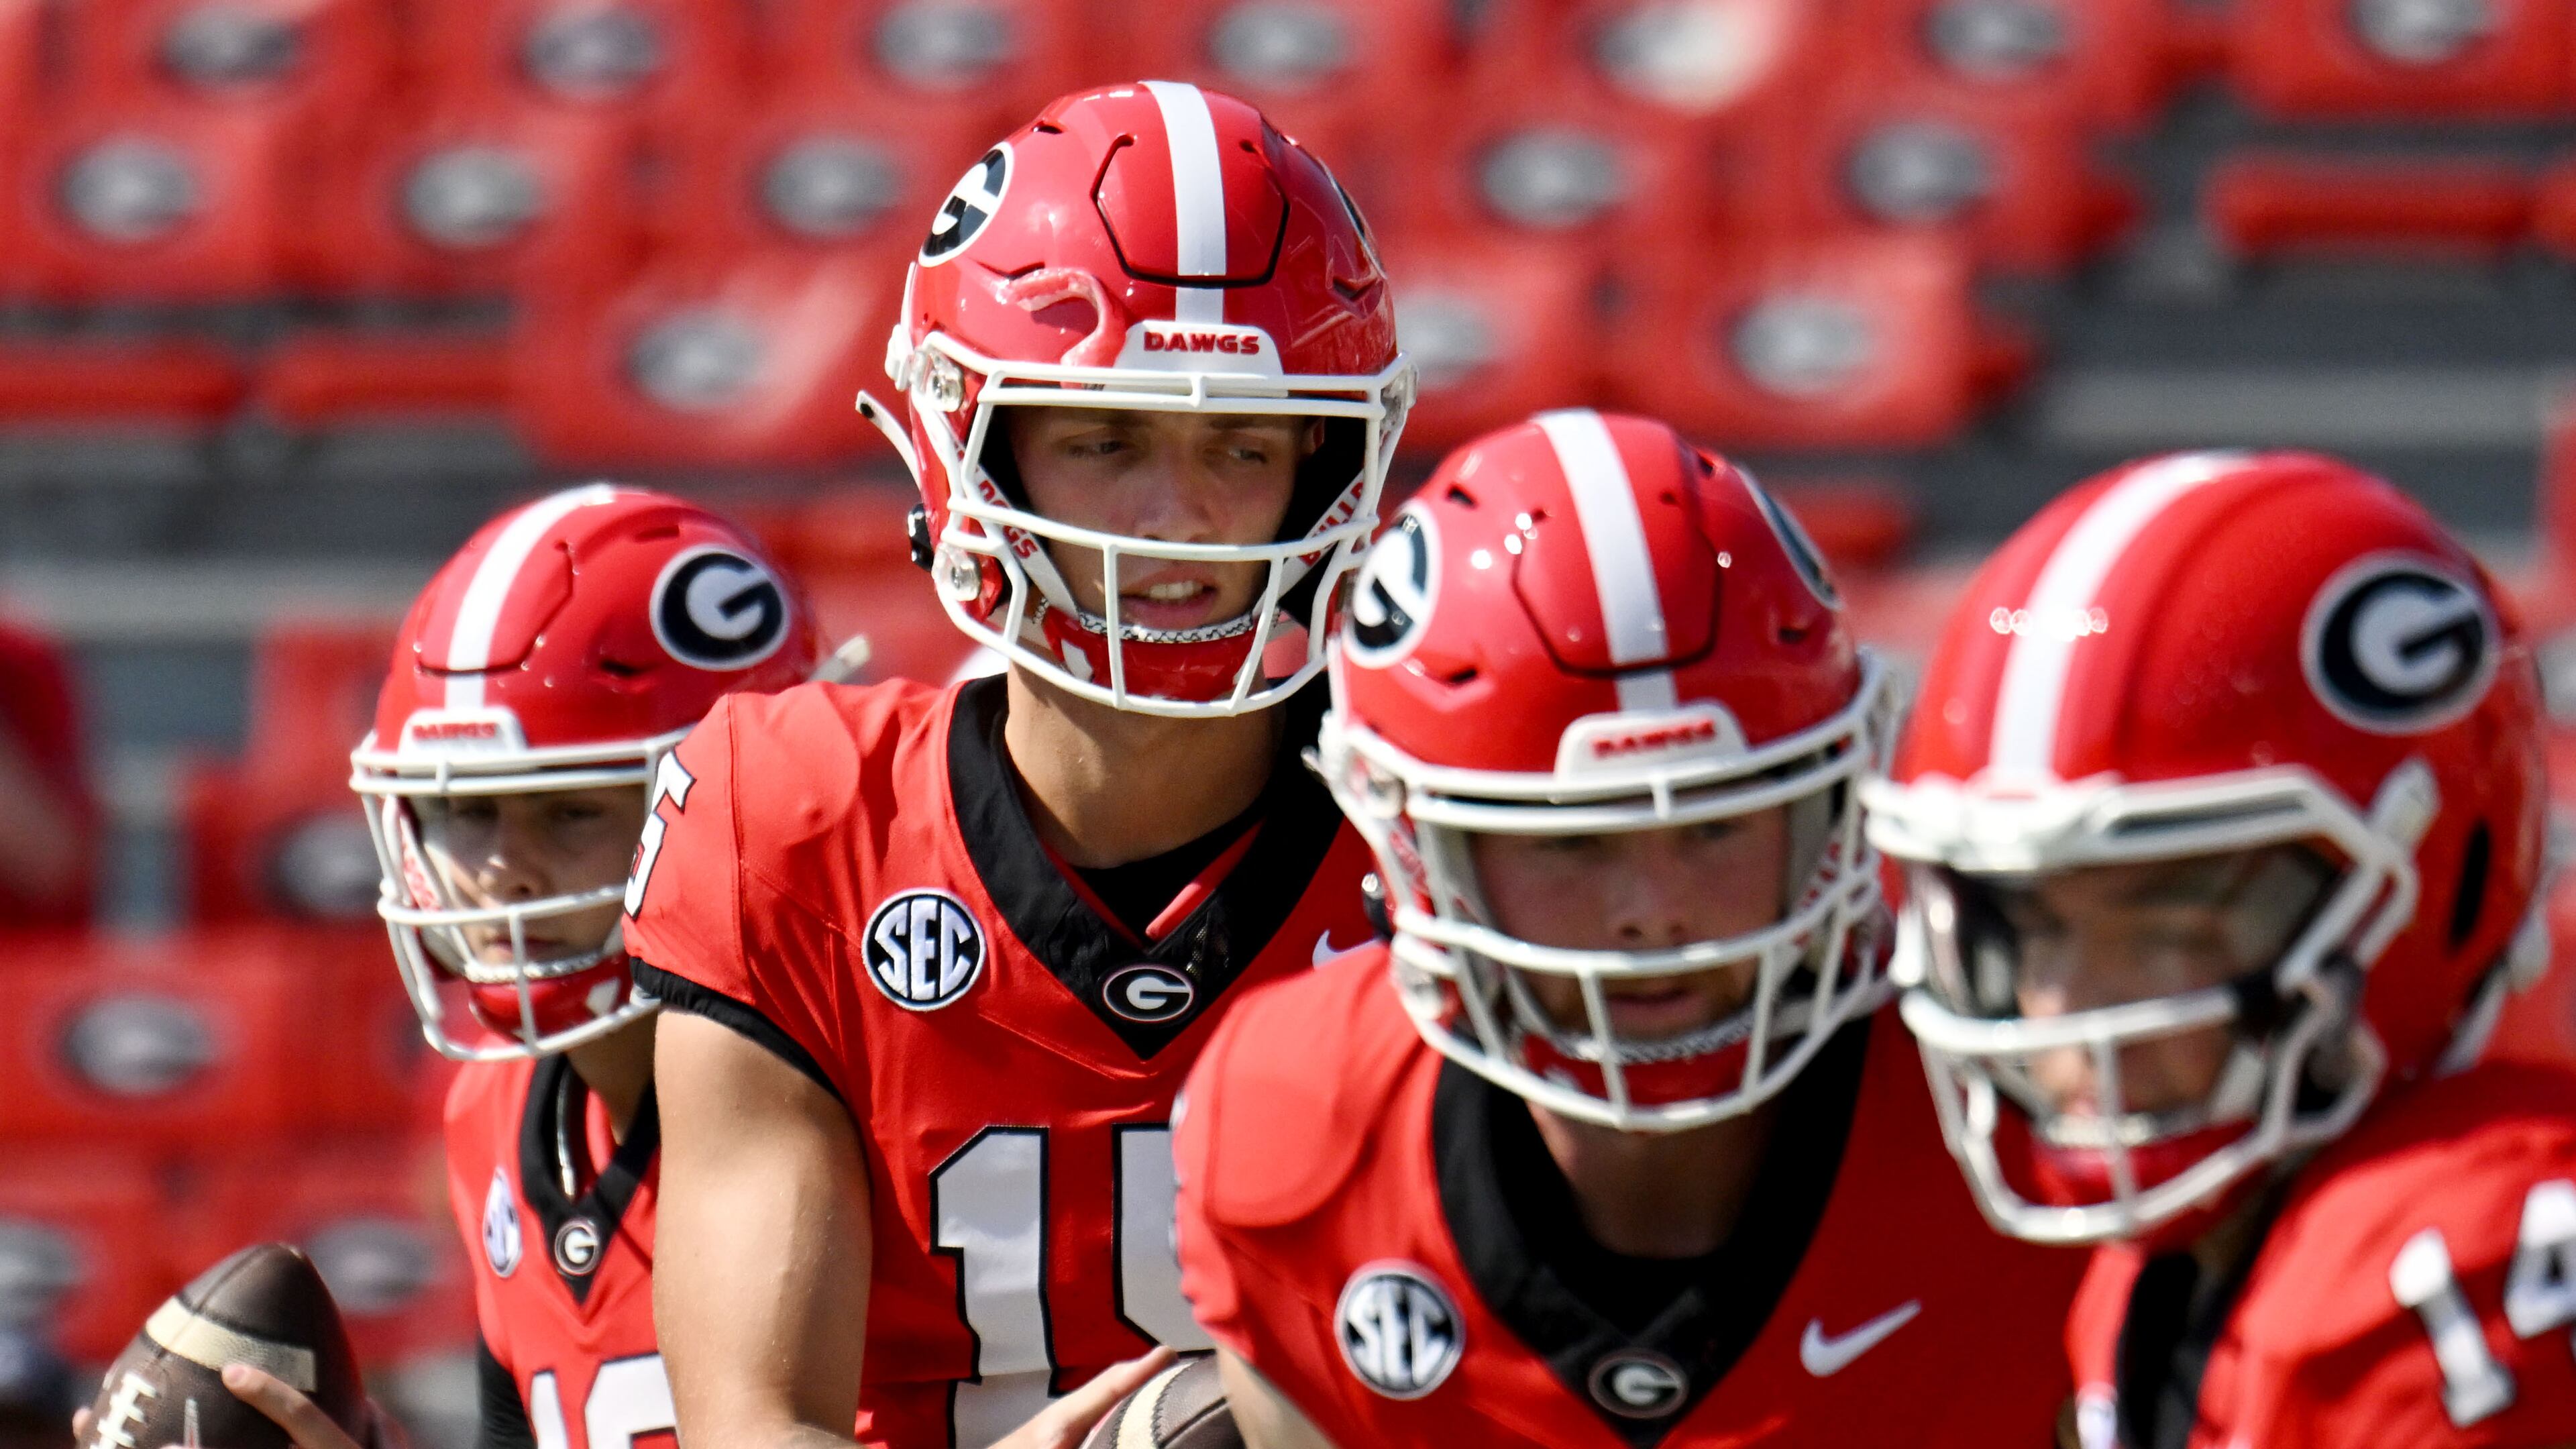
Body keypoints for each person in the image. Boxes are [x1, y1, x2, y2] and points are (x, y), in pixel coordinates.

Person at [623, 81, 1410, 1449]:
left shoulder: (1442, 838)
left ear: (1328, 460)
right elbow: (753, 1425)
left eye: (1244, 440)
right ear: (970, 448)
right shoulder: (798, 818)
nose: (1181, 517)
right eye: (1106, 440)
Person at [1171, 411, 2083, 1447]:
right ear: (1415, 847)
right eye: (1569, 842)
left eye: (1719, 822)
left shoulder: (2032, 1124)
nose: (1654, 909)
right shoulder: (1293, 1128)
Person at [1864, 449, 2576, 1448]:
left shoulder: (2465, 1256)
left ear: (2427, 880)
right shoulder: (2138, 1288)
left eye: (2166, 926)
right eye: (2033, 926)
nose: (2063, 1018)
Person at [349, 485, 824, 1449]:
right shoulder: (489, 1116)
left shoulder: (859, 1099)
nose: (498, 873)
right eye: (466, 813)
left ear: (743, 803)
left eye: (571, 812)